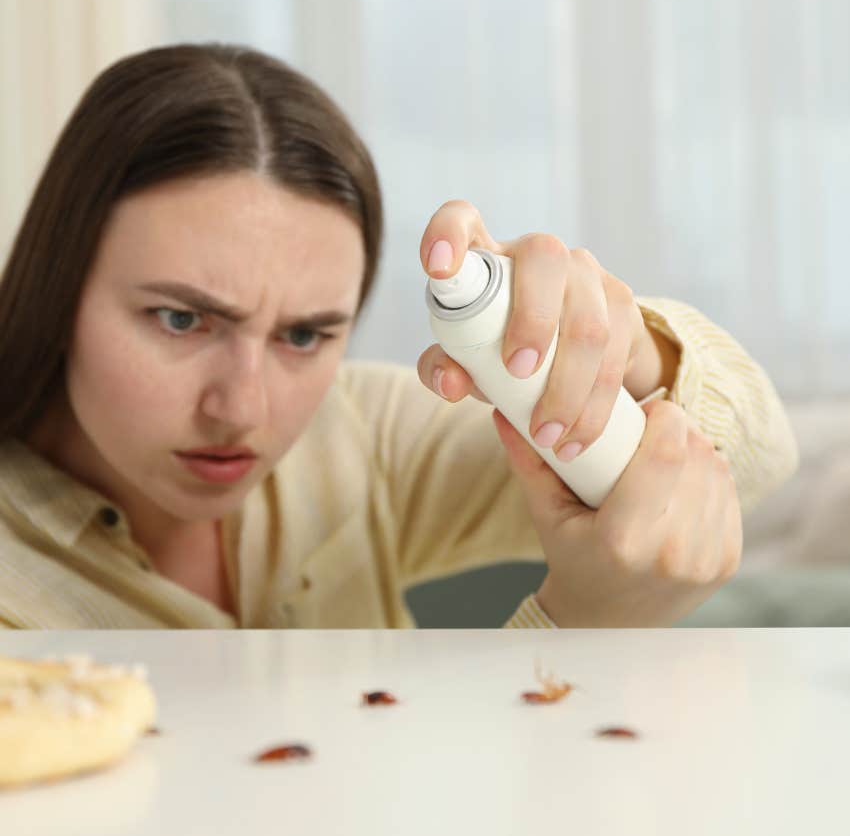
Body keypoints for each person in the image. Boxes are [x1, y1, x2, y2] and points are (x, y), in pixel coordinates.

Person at [0, 44, 797, 629]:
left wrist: (625, 356)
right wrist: (582, 630)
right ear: (59, 285)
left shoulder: (360, 433)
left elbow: (756, 464)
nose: (242, 409)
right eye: (182, 319)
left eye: (306, 334)